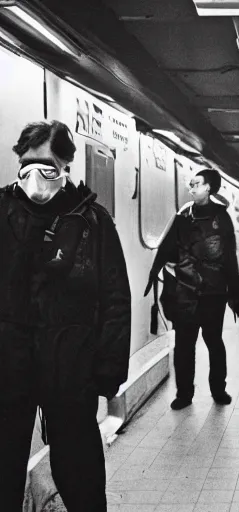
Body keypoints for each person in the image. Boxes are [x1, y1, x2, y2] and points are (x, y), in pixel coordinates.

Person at [0, 121, 131, 511]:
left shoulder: (93, 221)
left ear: (66, 166)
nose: (34, 175)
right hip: (9, 367)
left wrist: (109, 370)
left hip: (71, 369)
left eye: (46, 165)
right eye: (26, 164)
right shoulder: (3, 211)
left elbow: (115, 297)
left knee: (79, 472)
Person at [145, 168, 239, 410]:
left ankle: (218, 389)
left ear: (209, 187)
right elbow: (168, 249)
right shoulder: (182, 217)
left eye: (196, 184)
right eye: (190, 184)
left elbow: (230, 256)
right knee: (184, 345)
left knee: (213, 340)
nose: (191, 188)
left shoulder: (222, 218)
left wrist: (235, 292)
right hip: (185, 292)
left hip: (214, 292)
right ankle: (184, 394)